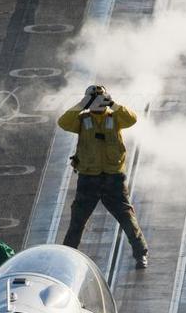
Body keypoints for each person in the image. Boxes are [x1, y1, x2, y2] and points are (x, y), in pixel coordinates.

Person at [58, 84, 149, 268]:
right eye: (93, 100)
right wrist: (81, 105)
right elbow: (63, 123)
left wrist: (113, 104)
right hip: (89, 177)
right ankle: (67, 256)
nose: (96, 103)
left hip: (113, 177)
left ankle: (141, 254)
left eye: (100, 99)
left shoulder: (115, 117)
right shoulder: (82, 119)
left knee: (127, 218)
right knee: (77, 221)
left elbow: (132, 119)